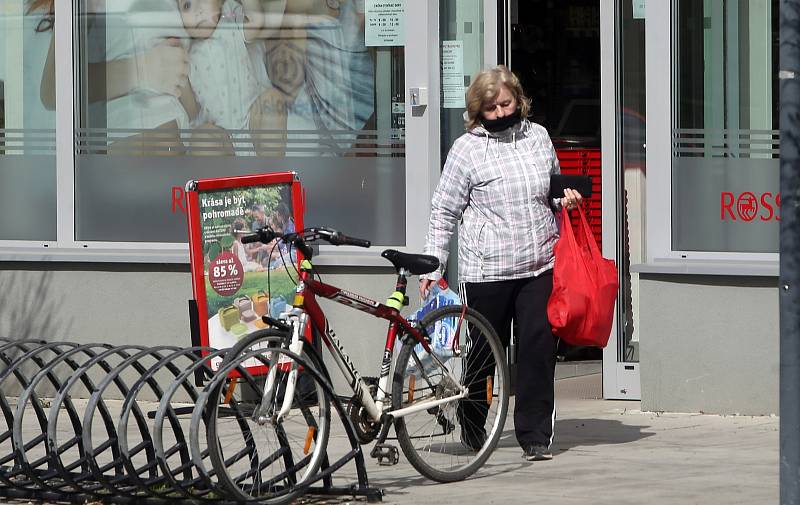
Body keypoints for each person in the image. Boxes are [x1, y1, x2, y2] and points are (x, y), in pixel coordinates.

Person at [419, 65, 583, 462]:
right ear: (478, 110)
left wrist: (567, 199)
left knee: (537, 350)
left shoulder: (538, 137)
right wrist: (433, 266)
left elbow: (551, 191)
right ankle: (475, 426)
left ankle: (534, 435)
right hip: (486, 270)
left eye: (506, 104)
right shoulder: (466, 150)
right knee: (482, 354)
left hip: (538, 265)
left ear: (519, 100)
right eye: (490, 108)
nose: (499, 113)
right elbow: (444, 212)